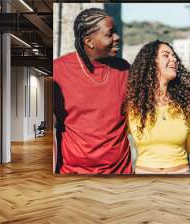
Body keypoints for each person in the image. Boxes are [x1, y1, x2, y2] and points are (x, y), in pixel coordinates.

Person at [53, 8, 132, 174]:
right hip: (74, 175)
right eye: (110, 34)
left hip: (120, 174)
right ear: (89, 41)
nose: (117, 38)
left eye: (116, 32)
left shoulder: (125, 69)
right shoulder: (58, 71)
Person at [125, 40, 190, 174]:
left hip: (180, 181)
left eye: (174, 56)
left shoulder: (185, 103)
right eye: (166, 55)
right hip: (144, 182)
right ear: (152, 62)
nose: (174, 59)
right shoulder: (133, 106)